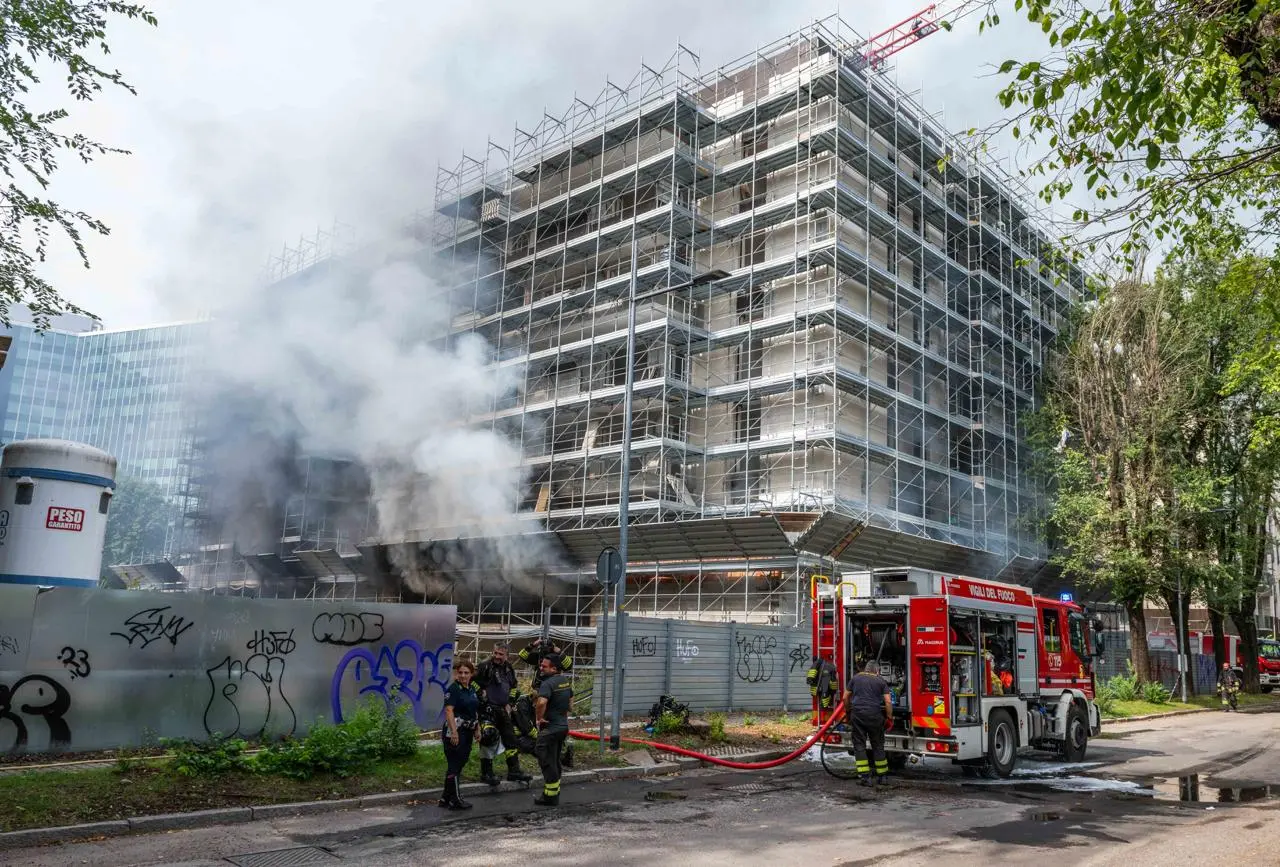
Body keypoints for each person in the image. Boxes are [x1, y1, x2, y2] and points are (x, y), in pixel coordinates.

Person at [474, 643, 533, 786]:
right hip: (487, 709)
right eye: (495, 653)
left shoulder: (508, 668)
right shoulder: (484, 666)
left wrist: (511, 702)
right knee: (488, 737)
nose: (497, 656)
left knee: (511, 739)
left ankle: (514, 771)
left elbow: (513, 687)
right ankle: (486, 773)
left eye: (500, 654)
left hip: (503, 710)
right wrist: (480, 692)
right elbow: (470, 681)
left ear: (507, 656)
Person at [842, 658, 894, 787]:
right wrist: (889, 717)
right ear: (877, 670)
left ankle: (865, 777)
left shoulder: (855, 678)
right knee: (878, 745)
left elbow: (845, 697)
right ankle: (883, 777)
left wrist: (848, 711)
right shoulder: (880, 681)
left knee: (859, 745)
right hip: (875, 716)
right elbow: (888, 701)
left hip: (858, 715)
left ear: (866, 669)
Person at [438, 658, 480, 810]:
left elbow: (474, 710)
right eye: (460, 672)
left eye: (466, 673)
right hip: (455, 731)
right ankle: (455, 799)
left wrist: (478, 728)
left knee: (458, 764)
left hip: (468, 731)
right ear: (456, 673)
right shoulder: (453, 689)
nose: (463, 676)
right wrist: (454, 732)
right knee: (455, 765)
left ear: (471, 674)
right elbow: (449, 710)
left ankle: (445, 797)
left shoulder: (471, 689)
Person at [533, 655, 573, 807]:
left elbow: (541, 702)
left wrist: (539, 718)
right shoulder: (565, 681)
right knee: (555, 760)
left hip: (550, 729)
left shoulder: (547, 683)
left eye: (544, 666)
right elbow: (570, 704)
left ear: (554, 669)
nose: (541, 668)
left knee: (546, 760)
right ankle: (553, 794)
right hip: (563, 727)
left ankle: (550, 797)